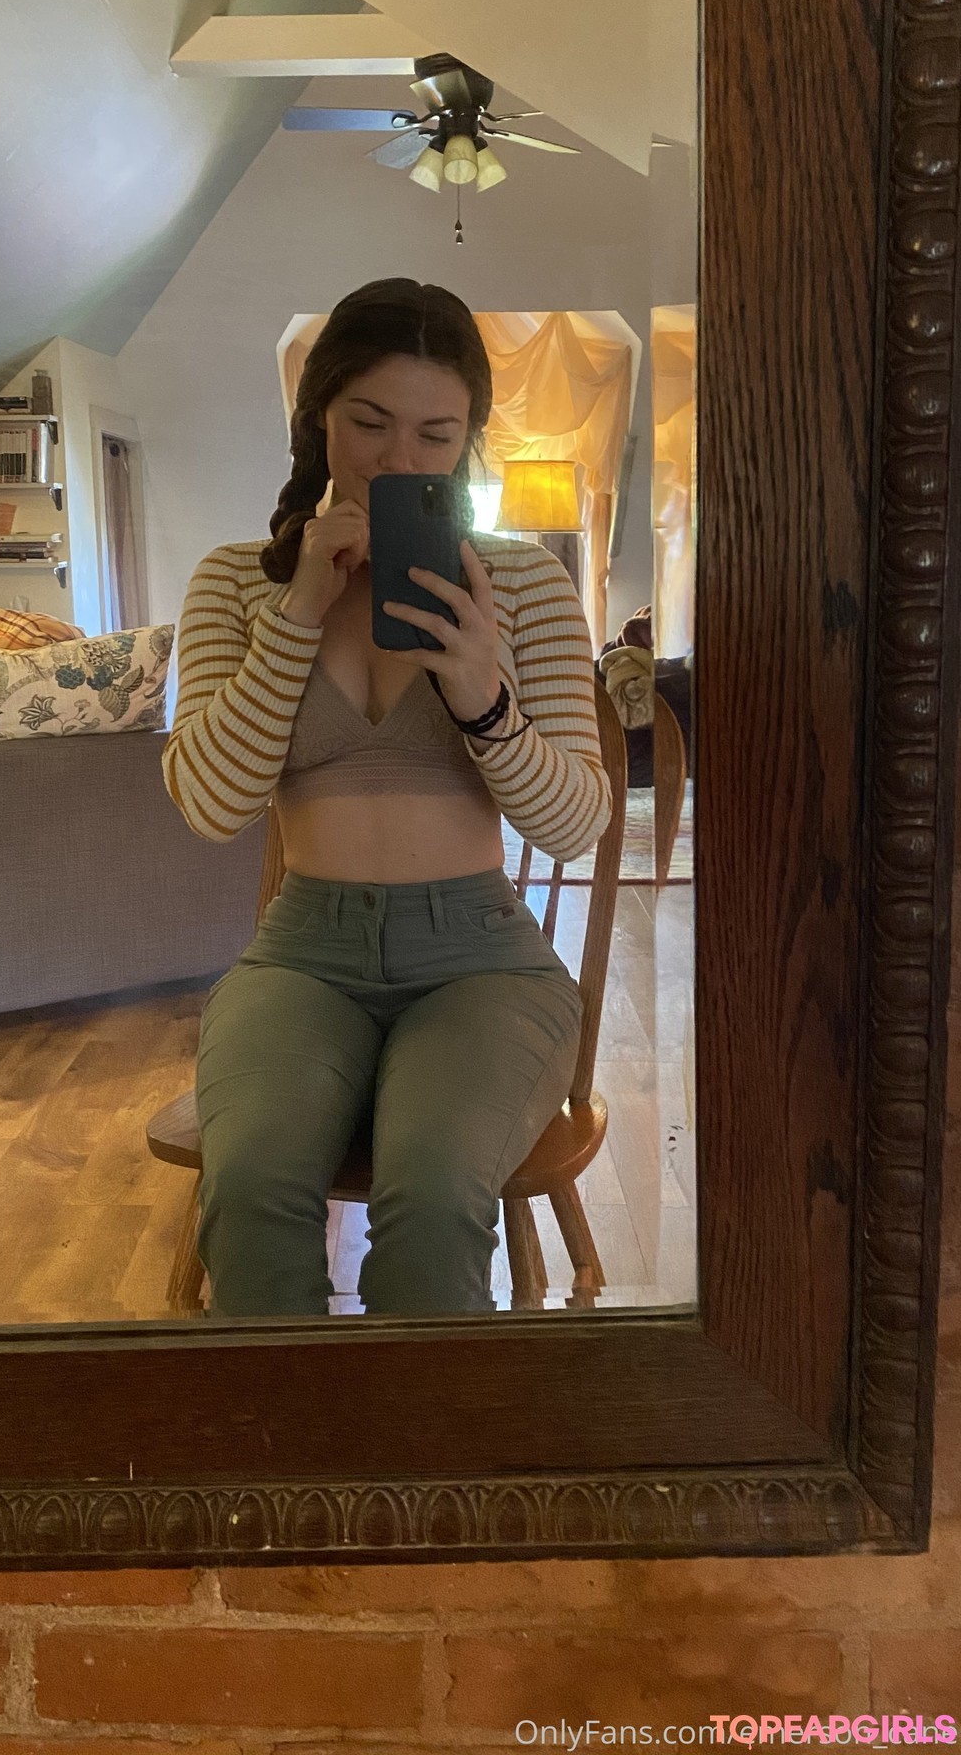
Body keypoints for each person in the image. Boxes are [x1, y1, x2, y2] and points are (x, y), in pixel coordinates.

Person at [163, 277, 613, 1317]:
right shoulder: (236, 581)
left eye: (435, 434)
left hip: (483, 960)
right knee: (249, 1190)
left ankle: (421, 1433)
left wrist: (483, 696)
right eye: (369, 422)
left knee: (436, 1203)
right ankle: (284, 1432)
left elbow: (574, 825)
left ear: (469, 443)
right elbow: (213, 806)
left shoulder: (526, 585)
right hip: (304, 953)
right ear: (318, 416)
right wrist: (299, 610)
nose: (398, 459)